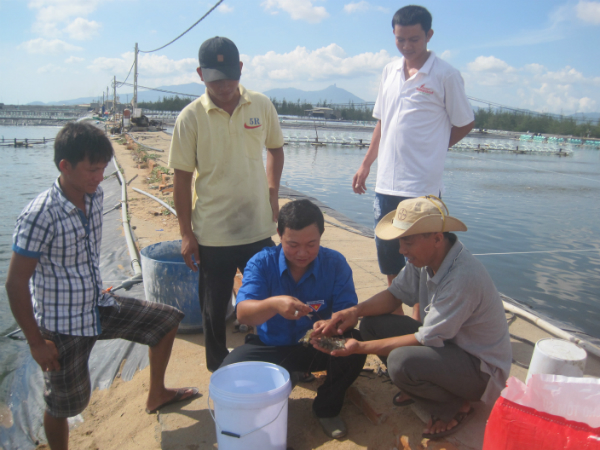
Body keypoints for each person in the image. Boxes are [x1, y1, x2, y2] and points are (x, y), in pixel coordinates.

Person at [5, 122, 198, 450]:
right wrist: (36, 343)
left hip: (97, 305)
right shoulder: (39, 215)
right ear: (65, 166)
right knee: (64, 404)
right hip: (63, 325)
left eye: (104, 168)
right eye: (92, 169)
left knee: (166, 321)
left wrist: (96, 287)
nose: (100, 176)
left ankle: (157, 393)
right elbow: (15, 283)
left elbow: (83, 256)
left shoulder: (96, 197)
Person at [312, 196, 512, 440]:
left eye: (407, 242)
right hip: (449, 347)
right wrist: (354, 311)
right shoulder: (424, 260)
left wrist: (359, 348)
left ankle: (455, 406)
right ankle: (423, 386)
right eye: (400, 242)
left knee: (400, 363)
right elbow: (395, 295)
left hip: (480, 369)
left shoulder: (463, 277)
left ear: (437, 238)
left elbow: (426, 339)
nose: (401, 250)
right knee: (372, 325)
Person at [168, 36, 285, 372]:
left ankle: (270, 357)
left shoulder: (261, 105)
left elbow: (275, 148)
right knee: (214, 305)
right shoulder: (190, 118)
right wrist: (186, 233)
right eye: (215, 79)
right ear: (200, 74)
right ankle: (218, 368)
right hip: (213, 233)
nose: (223, 86)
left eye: (230, 77)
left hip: (258, 226)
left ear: (241, 69)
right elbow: (181, 179)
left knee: (267, 298)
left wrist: (273, 192)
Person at [220, 200, 366, 439]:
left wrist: (331, 325)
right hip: (272, 348)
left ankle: (327, 408)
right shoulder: (261, 262)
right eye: (293, 244)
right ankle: (291, 374)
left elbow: (348, 314)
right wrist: (274, 304)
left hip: (318, 345)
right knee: (231, 368)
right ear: (279, 235)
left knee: (355, 345)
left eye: (311, 244)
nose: (302, 253)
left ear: (321, 235)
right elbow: (243, 312)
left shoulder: (336, 264)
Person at [352, 5, 475, 289]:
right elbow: (383, 121)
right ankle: (395, 307)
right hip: (386, 184)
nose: (406, 46)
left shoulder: (445, 75)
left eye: (414, 39)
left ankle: (420, 317)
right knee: (388, 249)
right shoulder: (389, 71)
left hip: (423, 186)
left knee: (422, 254)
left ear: (429, 35)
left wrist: (435, 149)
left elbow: (465, 122)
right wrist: (366, 164)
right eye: (400, 39)